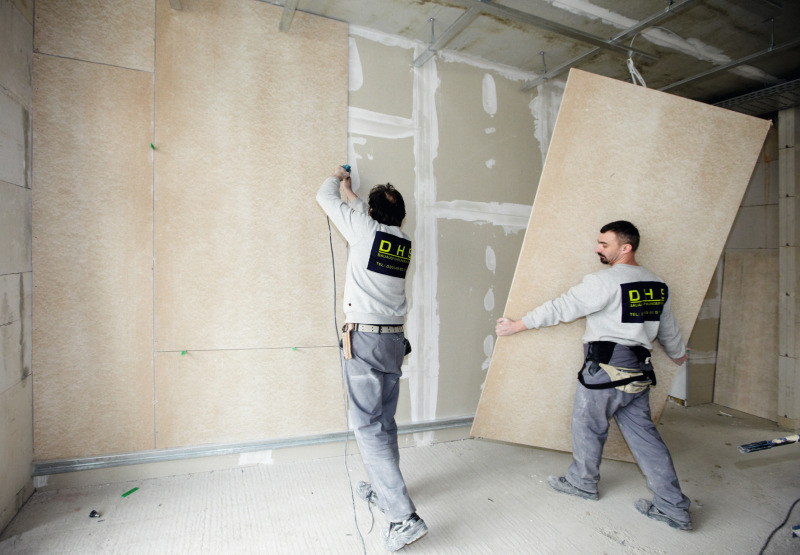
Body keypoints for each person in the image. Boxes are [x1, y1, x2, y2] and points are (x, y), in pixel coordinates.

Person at [495, 220, 693, 531]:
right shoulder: (657, 284)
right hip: (638, 375)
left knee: (587, 427)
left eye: (605, 244)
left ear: (625, 248)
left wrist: (517, 325)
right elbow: (668, 329)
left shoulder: (606, 282)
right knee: (646, 440)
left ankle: (582, 483)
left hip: (605, 373)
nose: (598, 248)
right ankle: (673, 506)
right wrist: (679, 354)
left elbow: (563, 307)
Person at [316, 166, 427, 551]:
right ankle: (385, 490)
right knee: (383, 420)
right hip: (394, 340)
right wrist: (353, 194)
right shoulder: (402, 239)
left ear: (372, 214)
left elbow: (323, 197)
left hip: (364, 340)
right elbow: (366, 213)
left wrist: (337, 179)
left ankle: (402, 517)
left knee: (367, 426)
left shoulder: (365, 230)